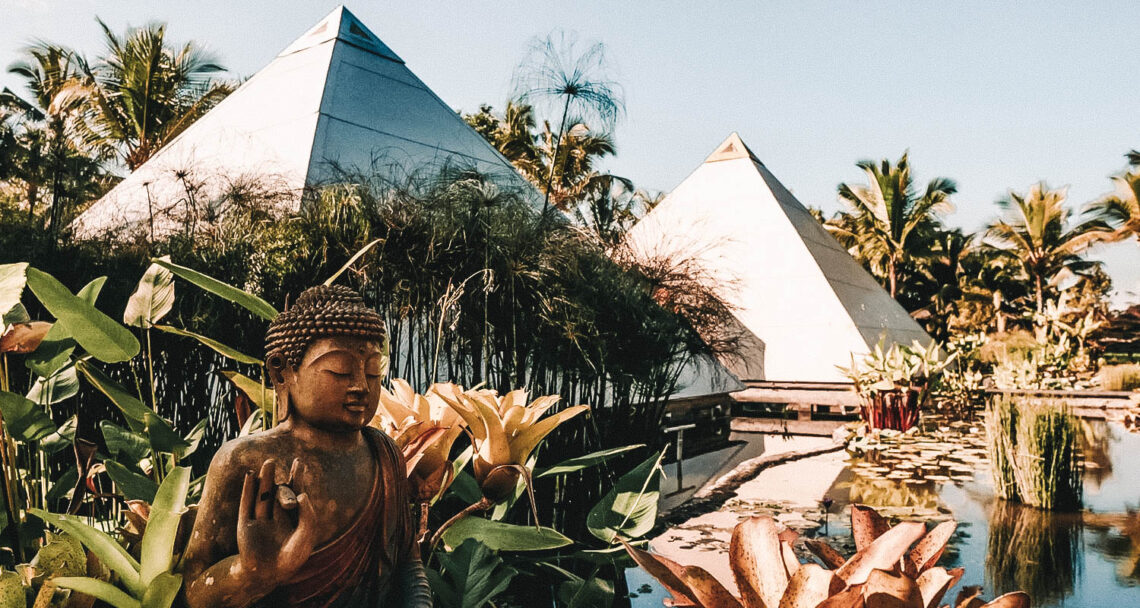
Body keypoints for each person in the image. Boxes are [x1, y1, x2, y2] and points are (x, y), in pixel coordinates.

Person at [182, 285, 432, 608]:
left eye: (373, 371)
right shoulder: (244, 460)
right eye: (339, 370)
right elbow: (192, 593)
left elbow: (409, 565)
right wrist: (250, 573)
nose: (361, 386)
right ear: (282, 374)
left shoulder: (384, 455)